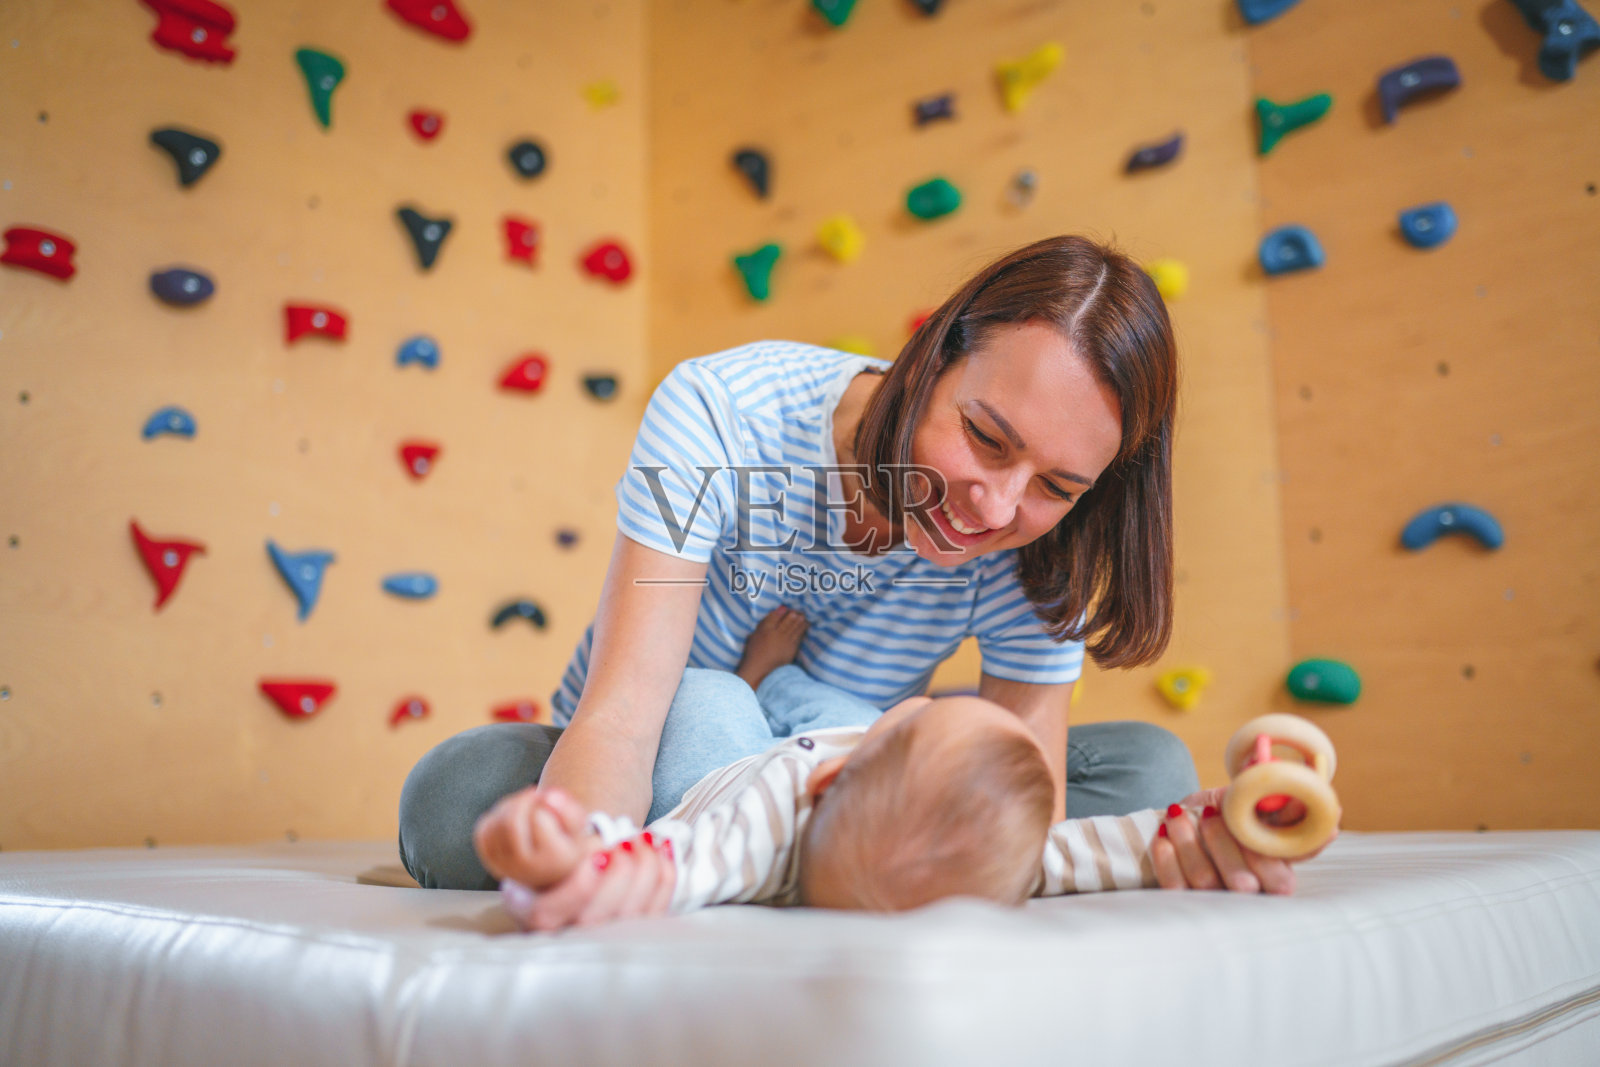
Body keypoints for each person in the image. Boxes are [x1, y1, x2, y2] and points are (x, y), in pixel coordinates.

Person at [401, 234, 1309, 910]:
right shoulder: (721, 415)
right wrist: (584, 857)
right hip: (674, 746)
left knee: (1152, 766)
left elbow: (1033, 791)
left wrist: (1187, 839)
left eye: (1057, 486)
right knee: (455, 804)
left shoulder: (1043, 542)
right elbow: (626, 715)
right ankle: (760, 858)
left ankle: (811, 861)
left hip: (863, 787)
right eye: (987, 438)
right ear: (933, 352)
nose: (995, 510)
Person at [481, 622, 1264, 932]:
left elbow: (661, 866)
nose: (923, 696)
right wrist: (1218, 822)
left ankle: (758, 679)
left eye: (917, 712)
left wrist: (576, 851)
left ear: (828, 778)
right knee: (845, 708)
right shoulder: (1006, 860)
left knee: (709, 692)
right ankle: (780, 684)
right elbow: (1097, 848)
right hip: (847, 743)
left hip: (729, 768)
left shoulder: (752, 839)